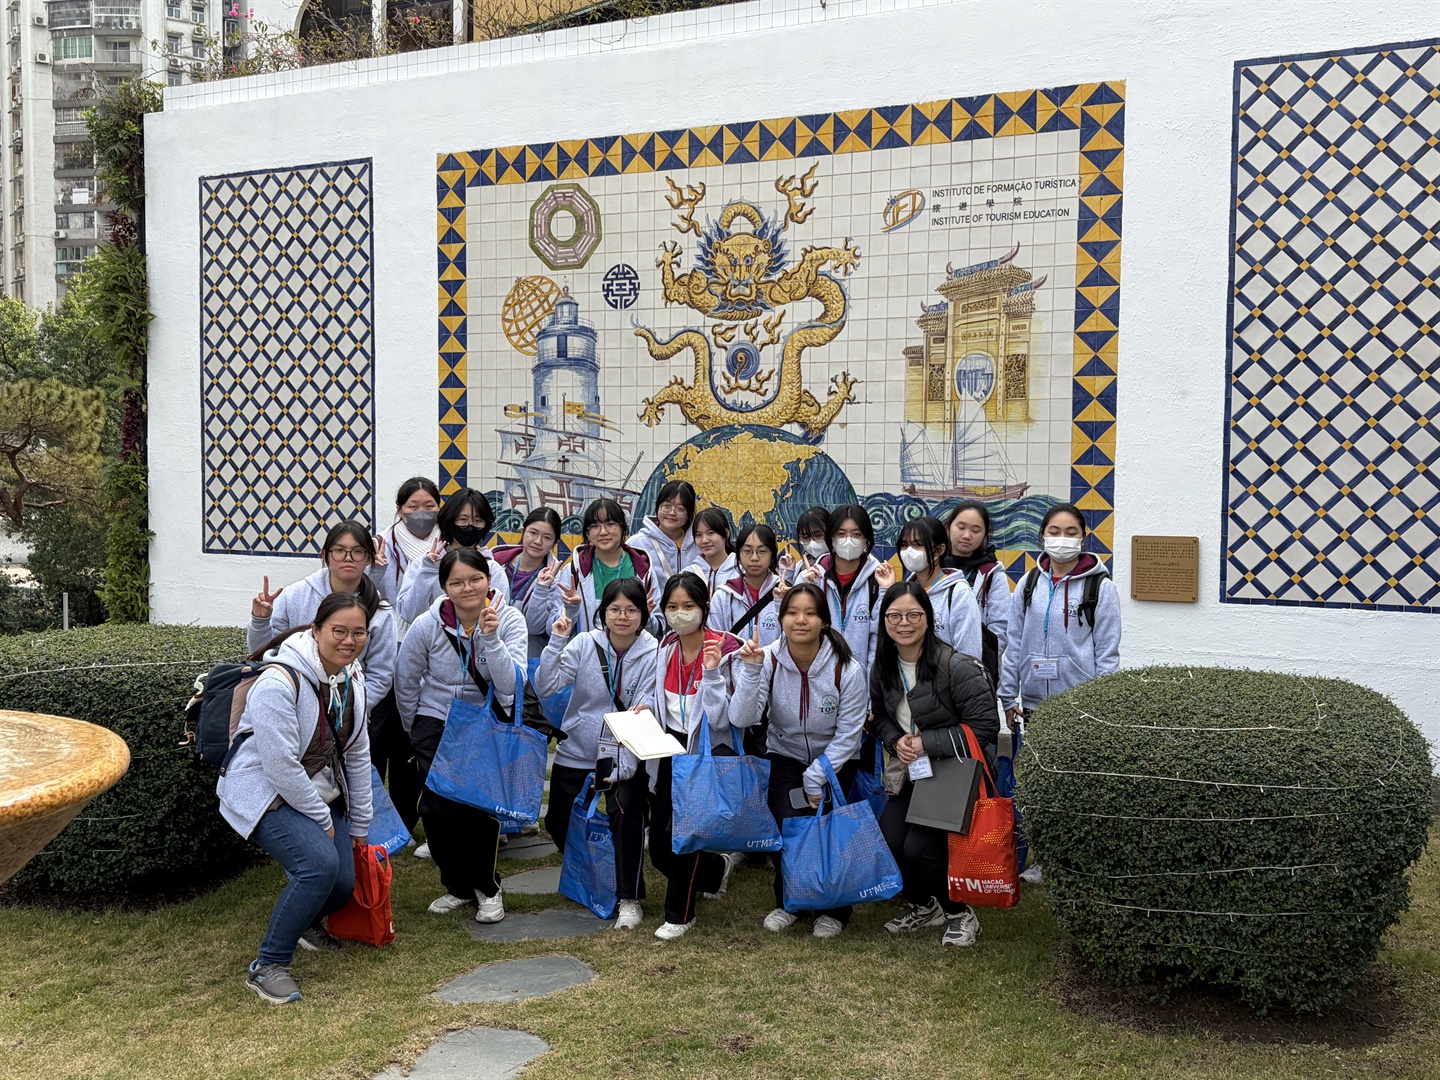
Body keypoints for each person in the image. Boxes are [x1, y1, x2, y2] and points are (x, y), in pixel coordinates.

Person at [219, 592, 376, 1005]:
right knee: (318, 866)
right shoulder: (278, 680)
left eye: (358, 632)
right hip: (264, 788)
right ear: (316, 630)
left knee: (342, 881)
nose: (348, 640)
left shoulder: (351, 678)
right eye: (338, 631)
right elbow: (279, 765)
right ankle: (268, 965)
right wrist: (322, 820)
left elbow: (358, 754)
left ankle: (306, 922)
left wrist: (359, 823)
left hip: (315, 787)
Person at [395, 549, 534, 922]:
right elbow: (406, 679)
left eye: (475, 579)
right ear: (445, 587)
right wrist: (415, 728)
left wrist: (491, 639)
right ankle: (457, 885)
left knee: (476, 808)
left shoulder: (510, 620)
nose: (467, 588)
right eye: (456, 582)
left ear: (489, 580)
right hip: (436, 719)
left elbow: (512, 685)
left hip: (483, 720)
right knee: (436, 808)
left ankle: (487, 888)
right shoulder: (428, 623)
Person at [731, 583, 867, 938]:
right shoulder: (770, 659)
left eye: (810, 613)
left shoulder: (847, 668)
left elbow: (850, 732)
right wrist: (750, 670)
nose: (800, 620)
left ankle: (836, 908)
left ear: (824, 620)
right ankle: (791, 900)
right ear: (782, 619)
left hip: (836, 758)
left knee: (829, 830)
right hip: (785, 753)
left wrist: (817, 776)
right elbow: (743, 717)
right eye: (792, 613)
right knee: (788, 827)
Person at [871, 581, 999, 948]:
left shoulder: (956, 666)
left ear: (929, 619)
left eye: (914, 614)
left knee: (920, 848)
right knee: (891, 838)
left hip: (953, 771)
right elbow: (880, 717)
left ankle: (959, 911)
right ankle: (925, 905)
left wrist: (926, 742)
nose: (904, 623)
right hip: (913, 769)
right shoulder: (883, 666)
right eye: (894, 616)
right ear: (884, 621)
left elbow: (987, 726)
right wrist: (896, 740)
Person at [618, 572, 743, 940]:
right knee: (659, 848)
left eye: (688, 606)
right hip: (669, 749)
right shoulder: (667, 647)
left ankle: (681, 913)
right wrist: (648, 711)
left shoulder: (726, 648)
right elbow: (664, 701)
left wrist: (714, 671)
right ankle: (715, 872)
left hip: (706, 750)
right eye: (672, 607)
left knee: (683, 837)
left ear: (705, 607)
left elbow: (726, 717)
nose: (680, 614)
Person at [534, 577, 659, 930]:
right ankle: (594, 874)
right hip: (578, 749)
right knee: (558, 821)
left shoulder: (654, 652)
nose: (622, 617)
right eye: (615, 609)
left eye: (631, 610)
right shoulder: (584, 643)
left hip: (626, 753)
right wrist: (557, 639)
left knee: (625, 817)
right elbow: (545, 686)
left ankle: (629, 898)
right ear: (603, 612)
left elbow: (649, 703)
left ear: (643, 613)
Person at [365, 477, 441, 839]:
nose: (421, 513)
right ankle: (372, 820)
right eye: (413, 506)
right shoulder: (383, 543)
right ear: (399, 509)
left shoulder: (446, 544)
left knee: (412, 744)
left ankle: (408, 823)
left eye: (429, 506)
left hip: (431, 653)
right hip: (389, 649)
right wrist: (378, 569)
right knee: (378, 739)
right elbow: (382, 600)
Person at [997, 503, 1121, 727]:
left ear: (1083, 538)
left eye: (1071, 533)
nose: (1062, 538)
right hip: (1033, 704)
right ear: (1042, 536)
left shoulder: (1100, 587)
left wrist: (1103, 703)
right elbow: (1014, 642)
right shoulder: (1028, 583)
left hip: (1081, 704)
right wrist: (1007, 696)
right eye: (1054, 532)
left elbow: (1107, 652)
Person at [248, 521, 397, 702]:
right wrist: (260, 620)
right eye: (339, 550)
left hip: (346, 711)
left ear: (369, 558)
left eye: (357, 551)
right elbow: (266, 655)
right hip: (291, 698)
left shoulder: (380, 611)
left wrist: (352, 710)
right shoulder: (294, 596)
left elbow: (380, 675)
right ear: (325, 556)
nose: (348, 557)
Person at [531, 498, 659, 636]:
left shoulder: (643, 569)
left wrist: (645, 617)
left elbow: (658, 629)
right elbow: (551, 630)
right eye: (595, 526)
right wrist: (570, 610)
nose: (603, 532)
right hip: (587, 655)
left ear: (623, 528)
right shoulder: (574, 571)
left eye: (610, 524)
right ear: (588, 533)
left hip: (633, 656)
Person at [795, 503, 893, 667]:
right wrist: (802, 585)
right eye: (841, 534)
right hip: (817, 680)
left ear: (867, 540)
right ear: (830, 539)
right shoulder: (813, 578)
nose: (848, 540)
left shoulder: (877, 580)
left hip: (861, 683)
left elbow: (878, 639)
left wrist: (870, 687)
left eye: (856, 534)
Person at [396, 488, 510, 627]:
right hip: (432, 645)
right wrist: (427, 571)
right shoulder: (424, 563)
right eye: (463, 520)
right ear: (450, 520)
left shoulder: (492, 569)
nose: (470, 526)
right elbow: (409, 614)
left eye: (478, 521)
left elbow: (500, 618)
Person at [943, 500, 1011, 688]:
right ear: (949, 527)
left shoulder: (992, 573)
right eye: (961, 527)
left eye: (976, 530)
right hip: (930, 672)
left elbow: (1000, 629)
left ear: (985, 535)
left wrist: (974, 664)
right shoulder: (931, 567)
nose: (967, 535)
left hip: (977, 674)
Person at [895, 515, 983, 660]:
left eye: (918, 544)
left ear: (939, 550)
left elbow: (969, 655)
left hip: (947, 680)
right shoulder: (905, 592)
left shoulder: (959, 594)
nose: (909, 551)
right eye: (905, 545)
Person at [488, 507, 564, 661]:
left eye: (547, 537)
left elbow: (535, 628)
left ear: (555, 543)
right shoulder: (494, 563)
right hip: (487, 650)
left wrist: (542, 588)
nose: (538, 541)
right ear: (522, 532)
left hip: (527, 658)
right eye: (533, 533)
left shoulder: (556, 578)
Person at [628, 480, 700, 587]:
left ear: (689, 514)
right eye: (666, 506)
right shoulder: (637, 544)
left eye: (680, 509)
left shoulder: (700, 543)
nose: (672, 512)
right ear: (658, 507)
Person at [685, 508, 737, 596]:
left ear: (726, 533)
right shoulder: (688, 574)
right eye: (698, 535)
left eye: (711, 533)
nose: (704, 540)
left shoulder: (742, 572)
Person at [778, 506, 831, 585]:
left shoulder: (839, 564)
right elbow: (787, 595)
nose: (812, 542)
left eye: (818, 535)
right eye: (805, 537)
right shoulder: (799, 566)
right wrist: (787, 573)